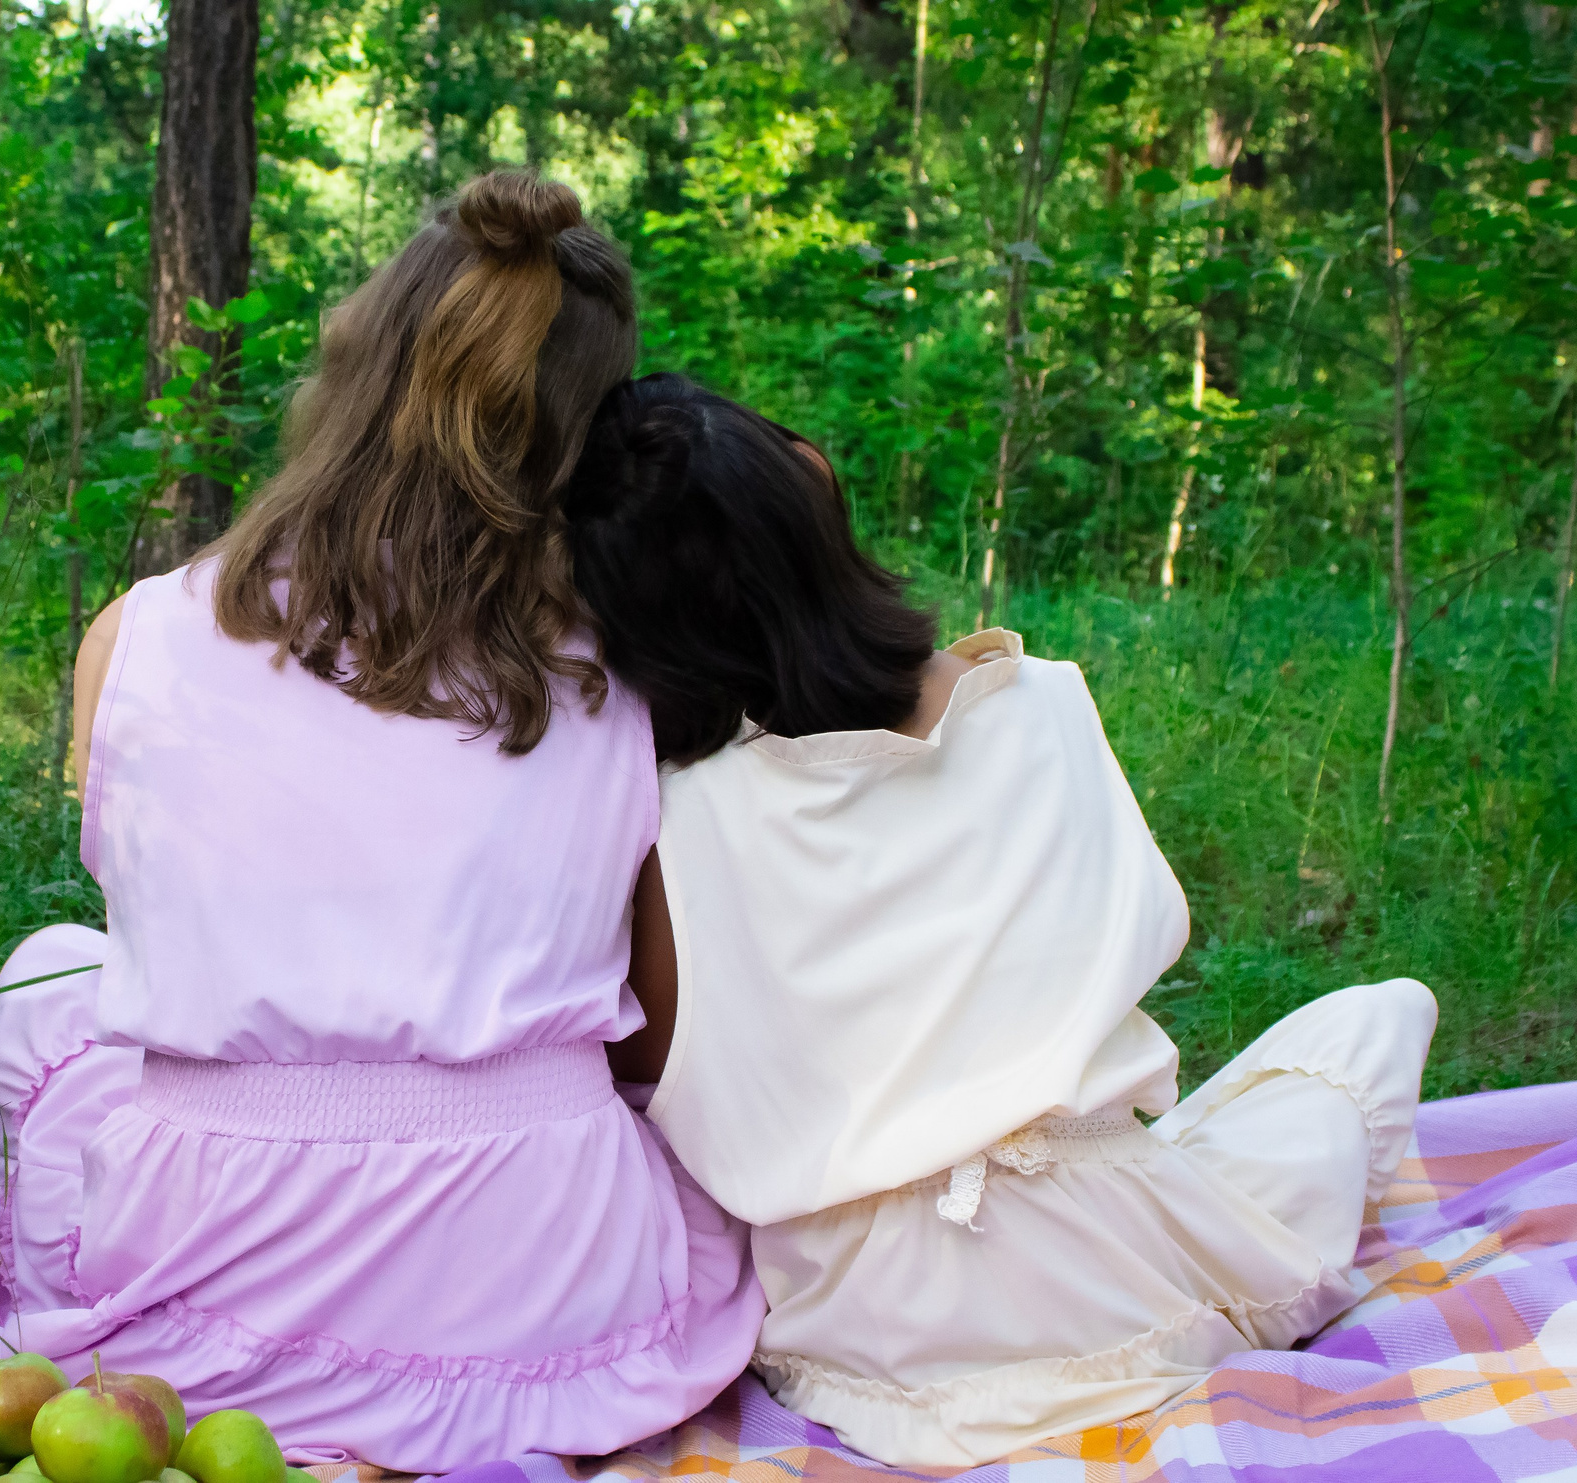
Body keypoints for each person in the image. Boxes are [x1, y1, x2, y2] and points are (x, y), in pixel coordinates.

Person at [0, 179, 763, 1471]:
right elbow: (656, 1031)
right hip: (543, 1285)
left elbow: (153, 921)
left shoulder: (142, 635)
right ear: (587, 430)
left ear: (356, 362)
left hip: (203, 1287)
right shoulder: (625, 674)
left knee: (51, 974)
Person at [561, 373, 1439, 1469]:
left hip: (871, 1333)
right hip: (1125, 1258)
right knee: (1374, 1016)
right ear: (809, 507)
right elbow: (1126, 939)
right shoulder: (1041, 704)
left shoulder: (674, 826)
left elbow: (653, 1072)